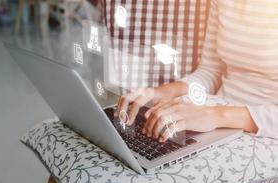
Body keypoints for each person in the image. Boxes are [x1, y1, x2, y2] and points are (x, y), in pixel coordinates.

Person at [117, 0, 278, 143]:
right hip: (215, 121)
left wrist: (215, 115)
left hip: (264, 133)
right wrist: (164, 92)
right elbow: (211, 71)